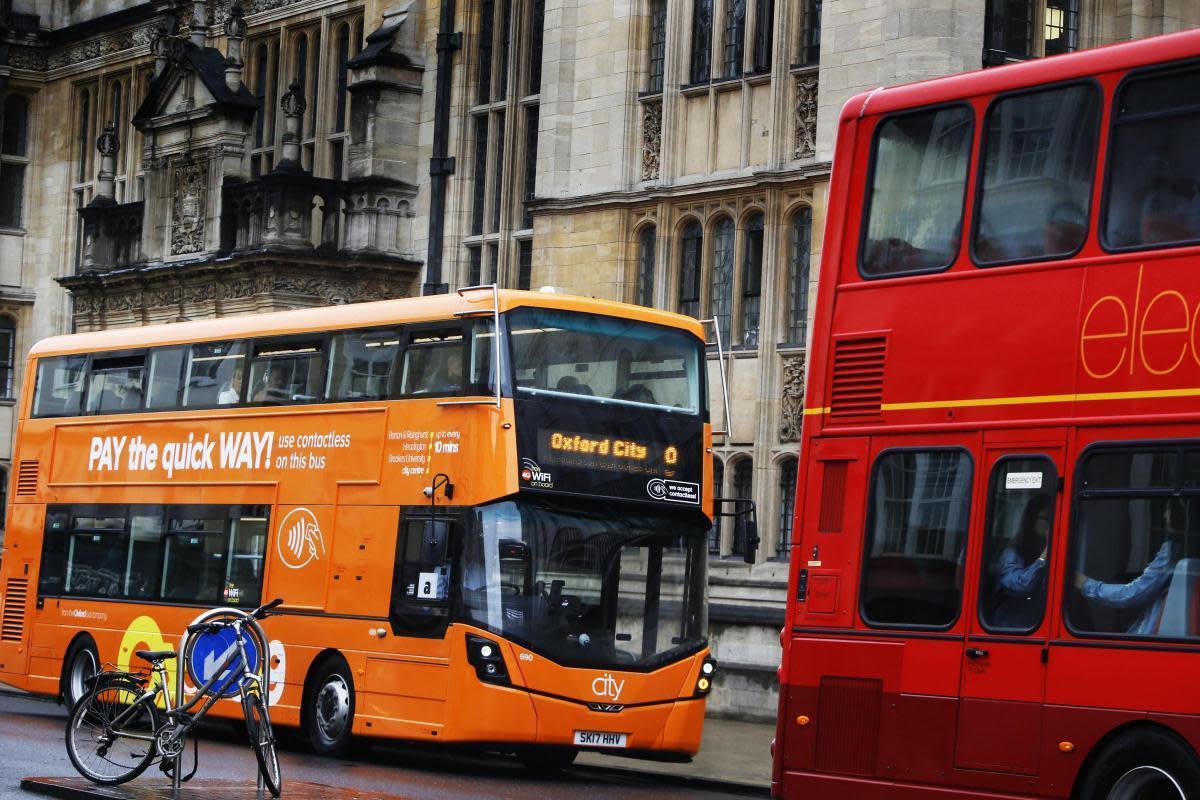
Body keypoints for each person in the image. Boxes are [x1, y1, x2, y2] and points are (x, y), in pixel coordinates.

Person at [1074, 497, 1186, 635]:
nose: (1164, 515)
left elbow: (1131, 594)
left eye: (1168, 510)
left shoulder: (1171, 552)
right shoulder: (1185, 549)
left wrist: (1086, 584)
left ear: (1177, 515)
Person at [991, 494, 1053, 630]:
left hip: (1038, 625)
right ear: (1032, 520)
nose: (1052, 525)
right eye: (1048, 519)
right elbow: (1021, 586)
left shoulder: (1048, 552)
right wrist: (1047, 553)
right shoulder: (1011, 554)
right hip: (1011, 627)